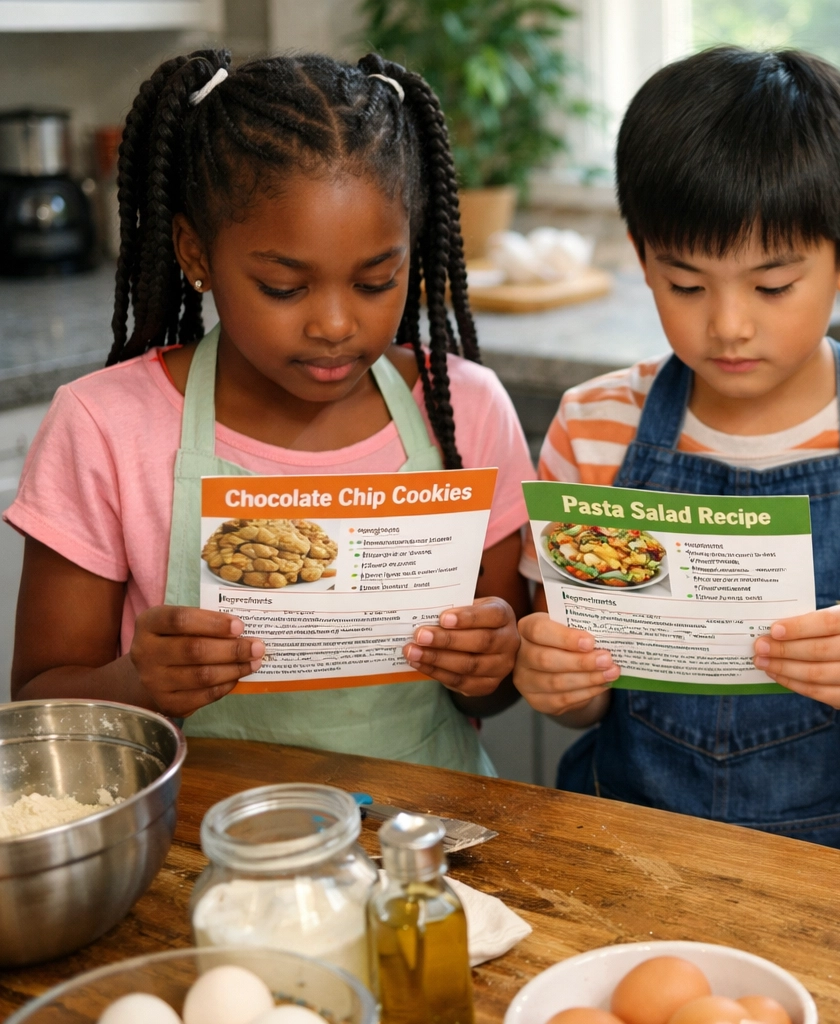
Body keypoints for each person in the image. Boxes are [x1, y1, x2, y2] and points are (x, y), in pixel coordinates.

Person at [6, 50, 535, 775]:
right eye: (284, 288)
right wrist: (136, 684)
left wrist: (493, 661)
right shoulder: (103, 427)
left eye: (376, 281)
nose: (335, 325)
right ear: (196, 253)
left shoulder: (467, 409)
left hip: (428, 817)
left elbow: (499, 689)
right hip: (197, 821)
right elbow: (41, 700)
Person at [511, 47, 840, 866]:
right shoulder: (595, 425)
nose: (727, 325)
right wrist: (555, 683)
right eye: (686, 285)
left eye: (772, 286)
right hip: (623, 849)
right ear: (642, 257)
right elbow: (581, 702)